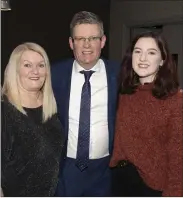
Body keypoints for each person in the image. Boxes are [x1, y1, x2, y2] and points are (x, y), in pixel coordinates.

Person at [51, 11, 121, 196]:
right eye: (80, 38)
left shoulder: (119, 74)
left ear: (103, 41)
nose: (87, 45)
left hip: (105, 170)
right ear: (71, 43)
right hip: (67, 169)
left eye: (93, 38)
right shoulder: (54, 74)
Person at [110, 31, 183, 197]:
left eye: (151, 52)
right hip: (117, 180)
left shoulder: (175, 100)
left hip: (151, 187)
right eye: (138, 51)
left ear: (162, 60)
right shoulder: (124, 94)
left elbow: (178, 156)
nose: (143, 58)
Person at [1, 42, 65, 197]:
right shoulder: (4, 111)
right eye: (27, 65)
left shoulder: (53, 105)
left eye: (41, 65)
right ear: (15, 70)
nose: (35, 71)